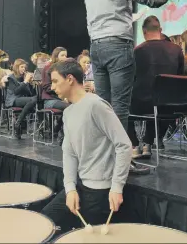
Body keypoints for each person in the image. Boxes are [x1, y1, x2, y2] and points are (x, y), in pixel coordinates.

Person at [84, 0, 185, 134]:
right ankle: (121, 159)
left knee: (103, 106)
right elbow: (154, 0)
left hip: (96, 47)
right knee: (120, 107)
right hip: (117, 47)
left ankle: (105, 156)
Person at [41, 59, 132, 233]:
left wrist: (116, 187)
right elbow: (69, 153)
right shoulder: (68, 112)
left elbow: (124, 145)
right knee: (45, 220)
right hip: (82, 186)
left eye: (54, 81)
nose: (52, 87)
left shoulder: (96, 105)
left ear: (69, 79)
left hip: (101, 192)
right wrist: (70, 189)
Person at [128, 16, 184, 158]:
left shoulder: (137, 51)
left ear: (143, 32)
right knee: (158, 100)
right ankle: (148, 143)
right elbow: (180, 77)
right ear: (160, 30)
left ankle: (134, 145)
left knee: (121, 104)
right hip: (170, 107)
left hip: (142, 104)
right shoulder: (177, 50)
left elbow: (130, 78)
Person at [41, 47, 70, 143]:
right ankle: (60, 134)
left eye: (66, 55)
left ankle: (56, 130)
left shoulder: (62, 69)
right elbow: (46, 87)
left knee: (74, 106)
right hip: (49, 100)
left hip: (59, 98)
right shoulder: (48, 68)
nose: (65, 57)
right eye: (62, 55)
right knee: (69, 107)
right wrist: (62, 96)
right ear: (56, 56)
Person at [5, 59, 36, 139]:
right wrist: (25, 82)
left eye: (24, 67)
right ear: (16, 67)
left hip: (22, 100)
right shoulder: (11, 78)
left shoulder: (23, 77)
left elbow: (30, 94)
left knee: (36, 98)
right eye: (21, 67)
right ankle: (19, 123)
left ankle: (18, 123)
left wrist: (30, 84)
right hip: (13, 100)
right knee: (33, 100)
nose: (23, 69)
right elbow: (16, 91)